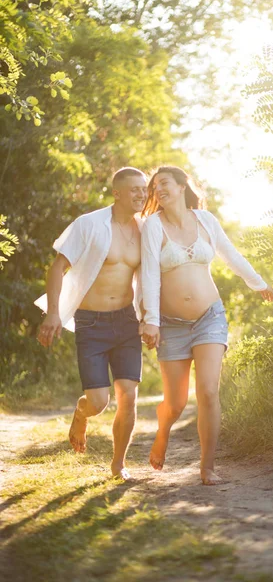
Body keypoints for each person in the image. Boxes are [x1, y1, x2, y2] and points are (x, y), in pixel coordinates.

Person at [140, 166, 273, 485]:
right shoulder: (152, 226)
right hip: (171, 325)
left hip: (209, 318)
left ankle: (207, 466)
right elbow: (149, 275)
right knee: (174, 404)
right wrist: (152, 321)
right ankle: (163, 429)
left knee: (208, 392)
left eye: (165, 183)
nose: (159, 189)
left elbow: (231, 255)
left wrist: (258, 283)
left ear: (182, 185)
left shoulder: (206, 221)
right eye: (155, 186)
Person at [35, 167, 147, 480]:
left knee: (129, 396)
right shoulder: (89, 224)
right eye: (134, 189)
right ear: (117, 193)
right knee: (98, 402)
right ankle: (81, 413)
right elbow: (58, 268)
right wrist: (54, 312)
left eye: (144, 189)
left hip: (127, 320)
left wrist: (152, 317)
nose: (141, 194)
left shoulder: (146, 229)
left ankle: (118, 465)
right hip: (91, 322)